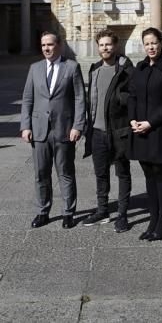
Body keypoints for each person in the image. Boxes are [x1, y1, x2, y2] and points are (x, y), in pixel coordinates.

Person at [20, 31, 86, 229]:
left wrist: (78, 125)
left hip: (64, 129)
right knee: (41, 173)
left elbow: (80, 98)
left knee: (65, 172)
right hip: (39, 130)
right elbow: (28, 99)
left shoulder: (72, 67)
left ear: (58, 45)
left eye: (49, 44)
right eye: (43, 45)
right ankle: (42, 212)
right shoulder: (35, 68)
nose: (46, 48)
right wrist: (25, 126)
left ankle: (68, 213)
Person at [128, 27, 162, 241]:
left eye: (154, 43)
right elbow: (132, 96)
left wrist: (150, 122)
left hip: (159, 130)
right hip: (139, 129)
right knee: (148, 175)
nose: (151, 47)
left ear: (161, 43)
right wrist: (133, 120)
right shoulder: (139, 67)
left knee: (160, 174)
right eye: (147, 43)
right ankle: (153, 219)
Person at [83, 29, 133, 233]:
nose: (105, 48)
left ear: (116, 46)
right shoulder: (94, 69)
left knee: (122, 173)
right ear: (98, 47)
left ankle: (122, 214)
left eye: (108, 44)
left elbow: (132, 97)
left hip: (118, 131)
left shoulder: (126, 69)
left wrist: (121, 99)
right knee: (100, 173)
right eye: (101, 45)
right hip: (97, 131)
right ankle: (102, 209)